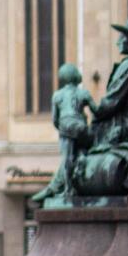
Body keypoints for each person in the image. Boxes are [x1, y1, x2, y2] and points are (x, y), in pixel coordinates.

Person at [29, 63, 95, 207]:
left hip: (65, 126)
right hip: (81, 126)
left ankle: (68, 189)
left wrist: (63, 129)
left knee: (67, 158)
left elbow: (54, 119)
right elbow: (96, 110)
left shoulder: (57, 95)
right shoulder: (83, 92)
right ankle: (83, 160)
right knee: (85, 146)